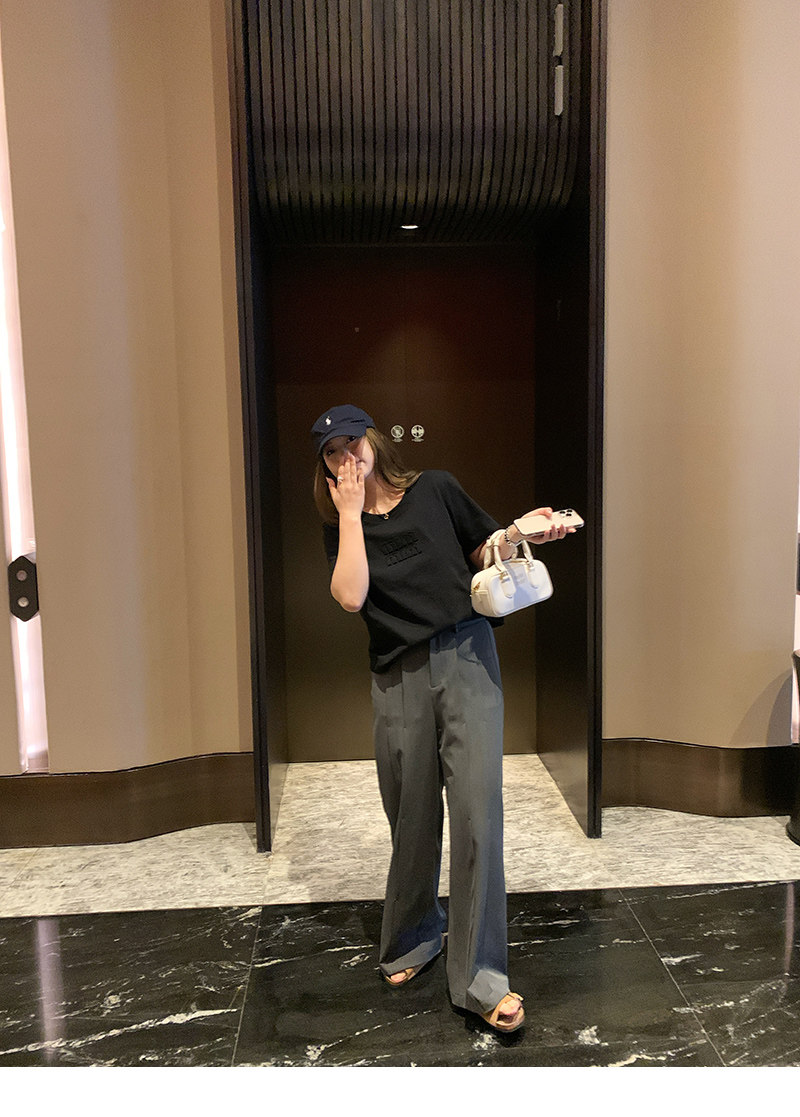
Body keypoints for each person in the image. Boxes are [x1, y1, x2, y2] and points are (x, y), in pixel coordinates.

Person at [311, 403, 571, 1034]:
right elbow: (351, 596)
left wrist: (519, 535)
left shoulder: (436, 488)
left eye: (353, 443)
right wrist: (350, 514)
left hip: (466, 659)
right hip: (396, 676)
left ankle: (483, 979)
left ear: (374, 441)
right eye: (332, 452)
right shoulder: (341, 527)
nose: (346, 457)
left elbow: (483, 550)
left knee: (479, 812)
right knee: (411, 813)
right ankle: (413, 935)